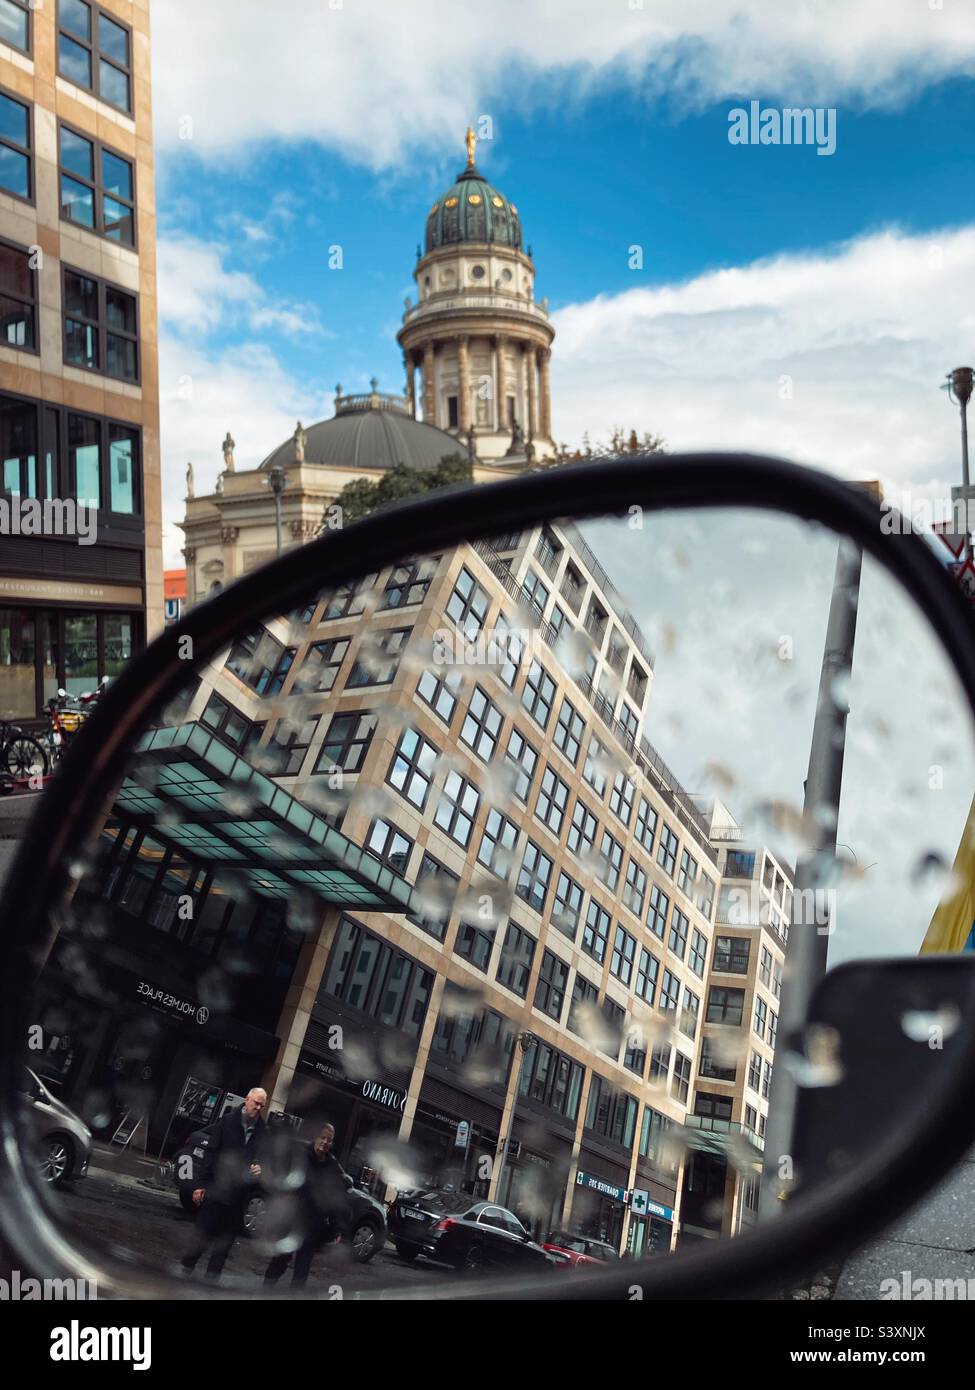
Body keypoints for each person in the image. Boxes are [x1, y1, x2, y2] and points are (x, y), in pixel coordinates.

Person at [180, 1087, 267, 1281]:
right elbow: (210, 1153)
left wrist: (260, 1167)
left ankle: (210, 1286)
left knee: (223, 1247)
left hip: (238, 1197)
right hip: (216, 1190)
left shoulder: (262, 1130)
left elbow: (263, 1158)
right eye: (256, 1103)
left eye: (262, 1105)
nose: (258, 1108)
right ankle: (184, 1274)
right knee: (200, 1238)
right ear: (247, 1099)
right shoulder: (227, 1121)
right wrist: (199, 1185)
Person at [263, 1123, 353, 1290]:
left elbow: (335, 1200)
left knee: (302, 1269)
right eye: (322, 1138)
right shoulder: (301, 1157)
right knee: (280, 1260)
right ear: (315, 1138)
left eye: (329, 1140)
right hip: (292, 1220)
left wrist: (338, 1228)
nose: (325, 1142)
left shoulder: (331, 1167)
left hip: (312, 1224)